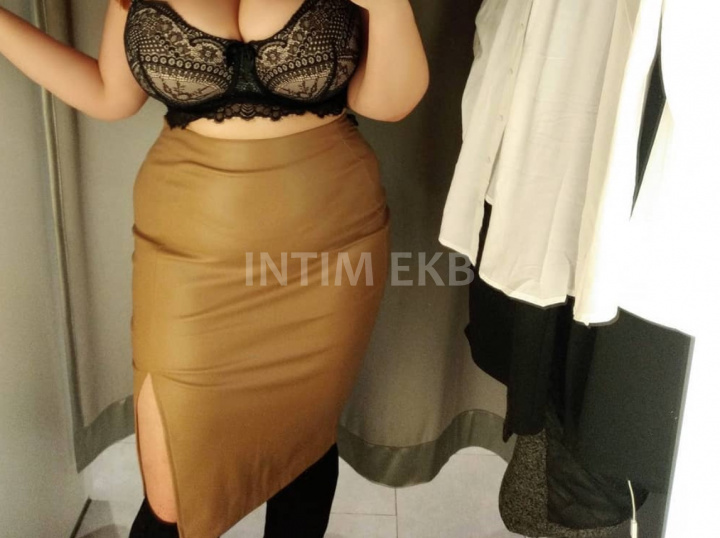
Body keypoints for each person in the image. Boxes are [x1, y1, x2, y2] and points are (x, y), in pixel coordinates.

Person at [0, 0, 429, 536]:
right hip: (190, 244)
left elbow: (388, 103)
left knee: (306, 436)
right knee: (172, 496)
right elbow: (112, 94)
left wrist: (388, 7)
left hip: (329, 237)